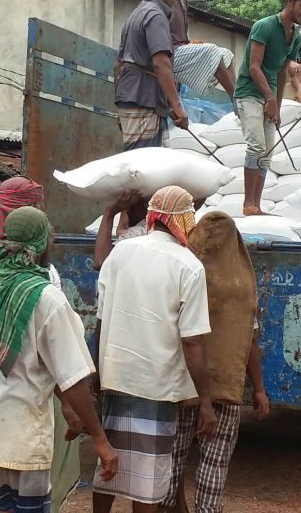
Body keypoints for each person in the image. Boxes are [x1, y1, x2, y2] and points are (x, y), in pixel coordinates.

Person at [0, 207, 118, 513]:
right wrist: (100, 438)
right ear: (41, 244)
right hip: (20, 435)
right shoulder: (46, 298)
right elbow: (72, 375)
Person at [93, 186, 217, 513]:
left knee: (109, 463)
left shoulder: (121, 252)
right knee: (149, 474)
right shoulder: (189, 266)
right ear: (186, 220)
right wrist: (205, 400)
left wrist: (98, 370)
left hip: (116, 375)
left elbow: (101, 321)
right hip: (158, 385)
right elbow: (192, 340)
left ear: (152, 216)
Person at [0, 175, 82, 513]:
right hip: (29, 403)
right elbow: (59, 356)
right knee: (33, 490)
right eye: (38, 205)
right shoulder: (44, 282)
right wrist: (84, 420)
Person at [159, 211, 270, 513]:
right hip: (225, 386)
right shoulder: (242, 286)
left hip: (184, 384)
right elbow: (249, 342)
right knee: (215, 463)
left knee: (173, 458)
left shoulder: (182, 274)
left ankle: (167, 507)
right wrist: (258, 389)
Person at [234, 0, 301, 216]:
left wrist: (277, 107)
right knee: (256, 146)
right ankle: (247, 204)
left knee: (268, 151)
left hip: (270, 94)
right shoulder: (264, 26)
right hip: (249, 92)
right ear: (290, 1)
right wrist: (269, 98)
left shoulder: (296, 36)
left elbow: (282, 72)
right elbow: (253, 67)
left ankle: (256, 206)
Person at [114, 0, 189, 150]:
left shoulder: (136, 13)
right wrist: (177, 106)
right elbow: (161, 64)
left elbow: (118, 64)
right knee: (142, 167)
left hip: (131, 97)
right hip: (144, 98)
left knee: (150, 165)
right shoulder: (156, 15)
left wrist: (120, 103)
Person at [169, 0, 236, 101]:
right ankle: (234, 98)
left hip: (182, 49)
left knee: (226, 54)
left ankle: (237, 96)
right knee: (211, 49)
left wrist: (190, 43)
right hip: (169, 53)